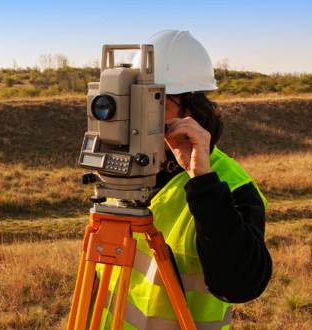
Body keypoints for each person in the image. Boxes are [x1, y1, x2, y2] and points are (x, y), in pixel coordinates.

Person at [98, 30, 272, 329]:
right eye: (132, 104)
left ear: (192, 112)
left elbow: (242, 285)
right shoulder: (127, 172)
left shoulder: (229, 185)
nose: (137, 120)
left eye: (155, 104)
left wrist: (201, 180)